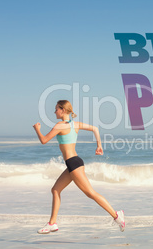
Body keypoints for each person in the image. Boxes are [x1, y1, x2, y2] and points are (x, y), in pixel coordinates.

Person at [33, 100, 125, 234]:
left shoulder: (59, 125)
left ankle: (117, 216)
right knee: (55, 190)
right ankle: (52, 223)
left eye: (56, 109)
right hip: (74, 162)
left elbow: (44, 140)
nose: (55, 112)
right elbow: (95, 128)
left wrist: (37, 129)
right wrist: (99, 145)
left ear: (63, 110)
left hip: (73, 163)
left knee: (90, 193)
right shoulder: (75, 124)